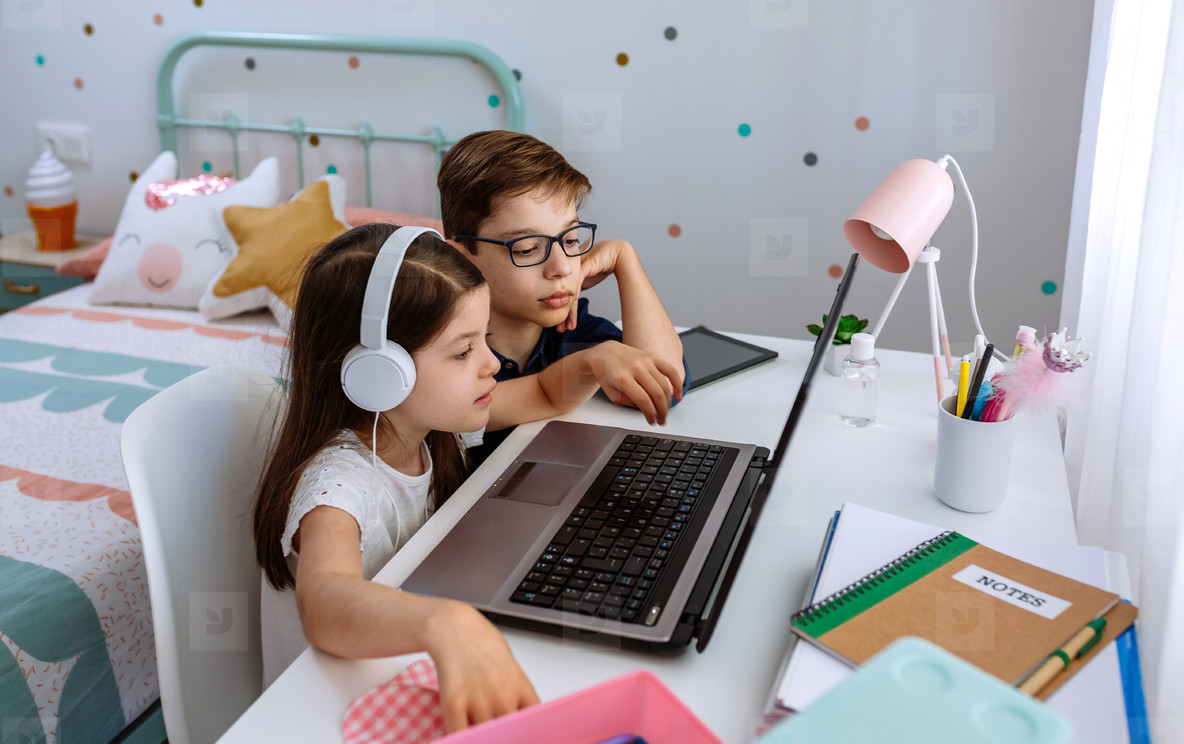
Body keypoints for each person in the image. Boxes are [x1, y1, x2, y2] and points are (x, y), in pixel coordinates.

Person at [253, 223, 596, 731]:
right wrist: (449, 624)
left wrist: (601, 362)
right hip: (321, 717)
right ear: (379, 374)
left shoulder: (431, 424)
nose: (492, 363)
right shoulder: (340, 486)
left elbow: (545, 394)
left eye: (486, 341)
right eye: (463, 352)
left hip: (393, 674)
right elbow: (324, 602)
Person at [438, 130, 689, 464]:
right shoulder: (442, 351)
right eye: (527, 249)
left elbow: (663, 386)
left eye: (570, 240)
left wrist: (624, 260)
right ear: (462, 256)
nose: (560, 268)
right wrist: (593, 362)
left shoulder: (569, 330)